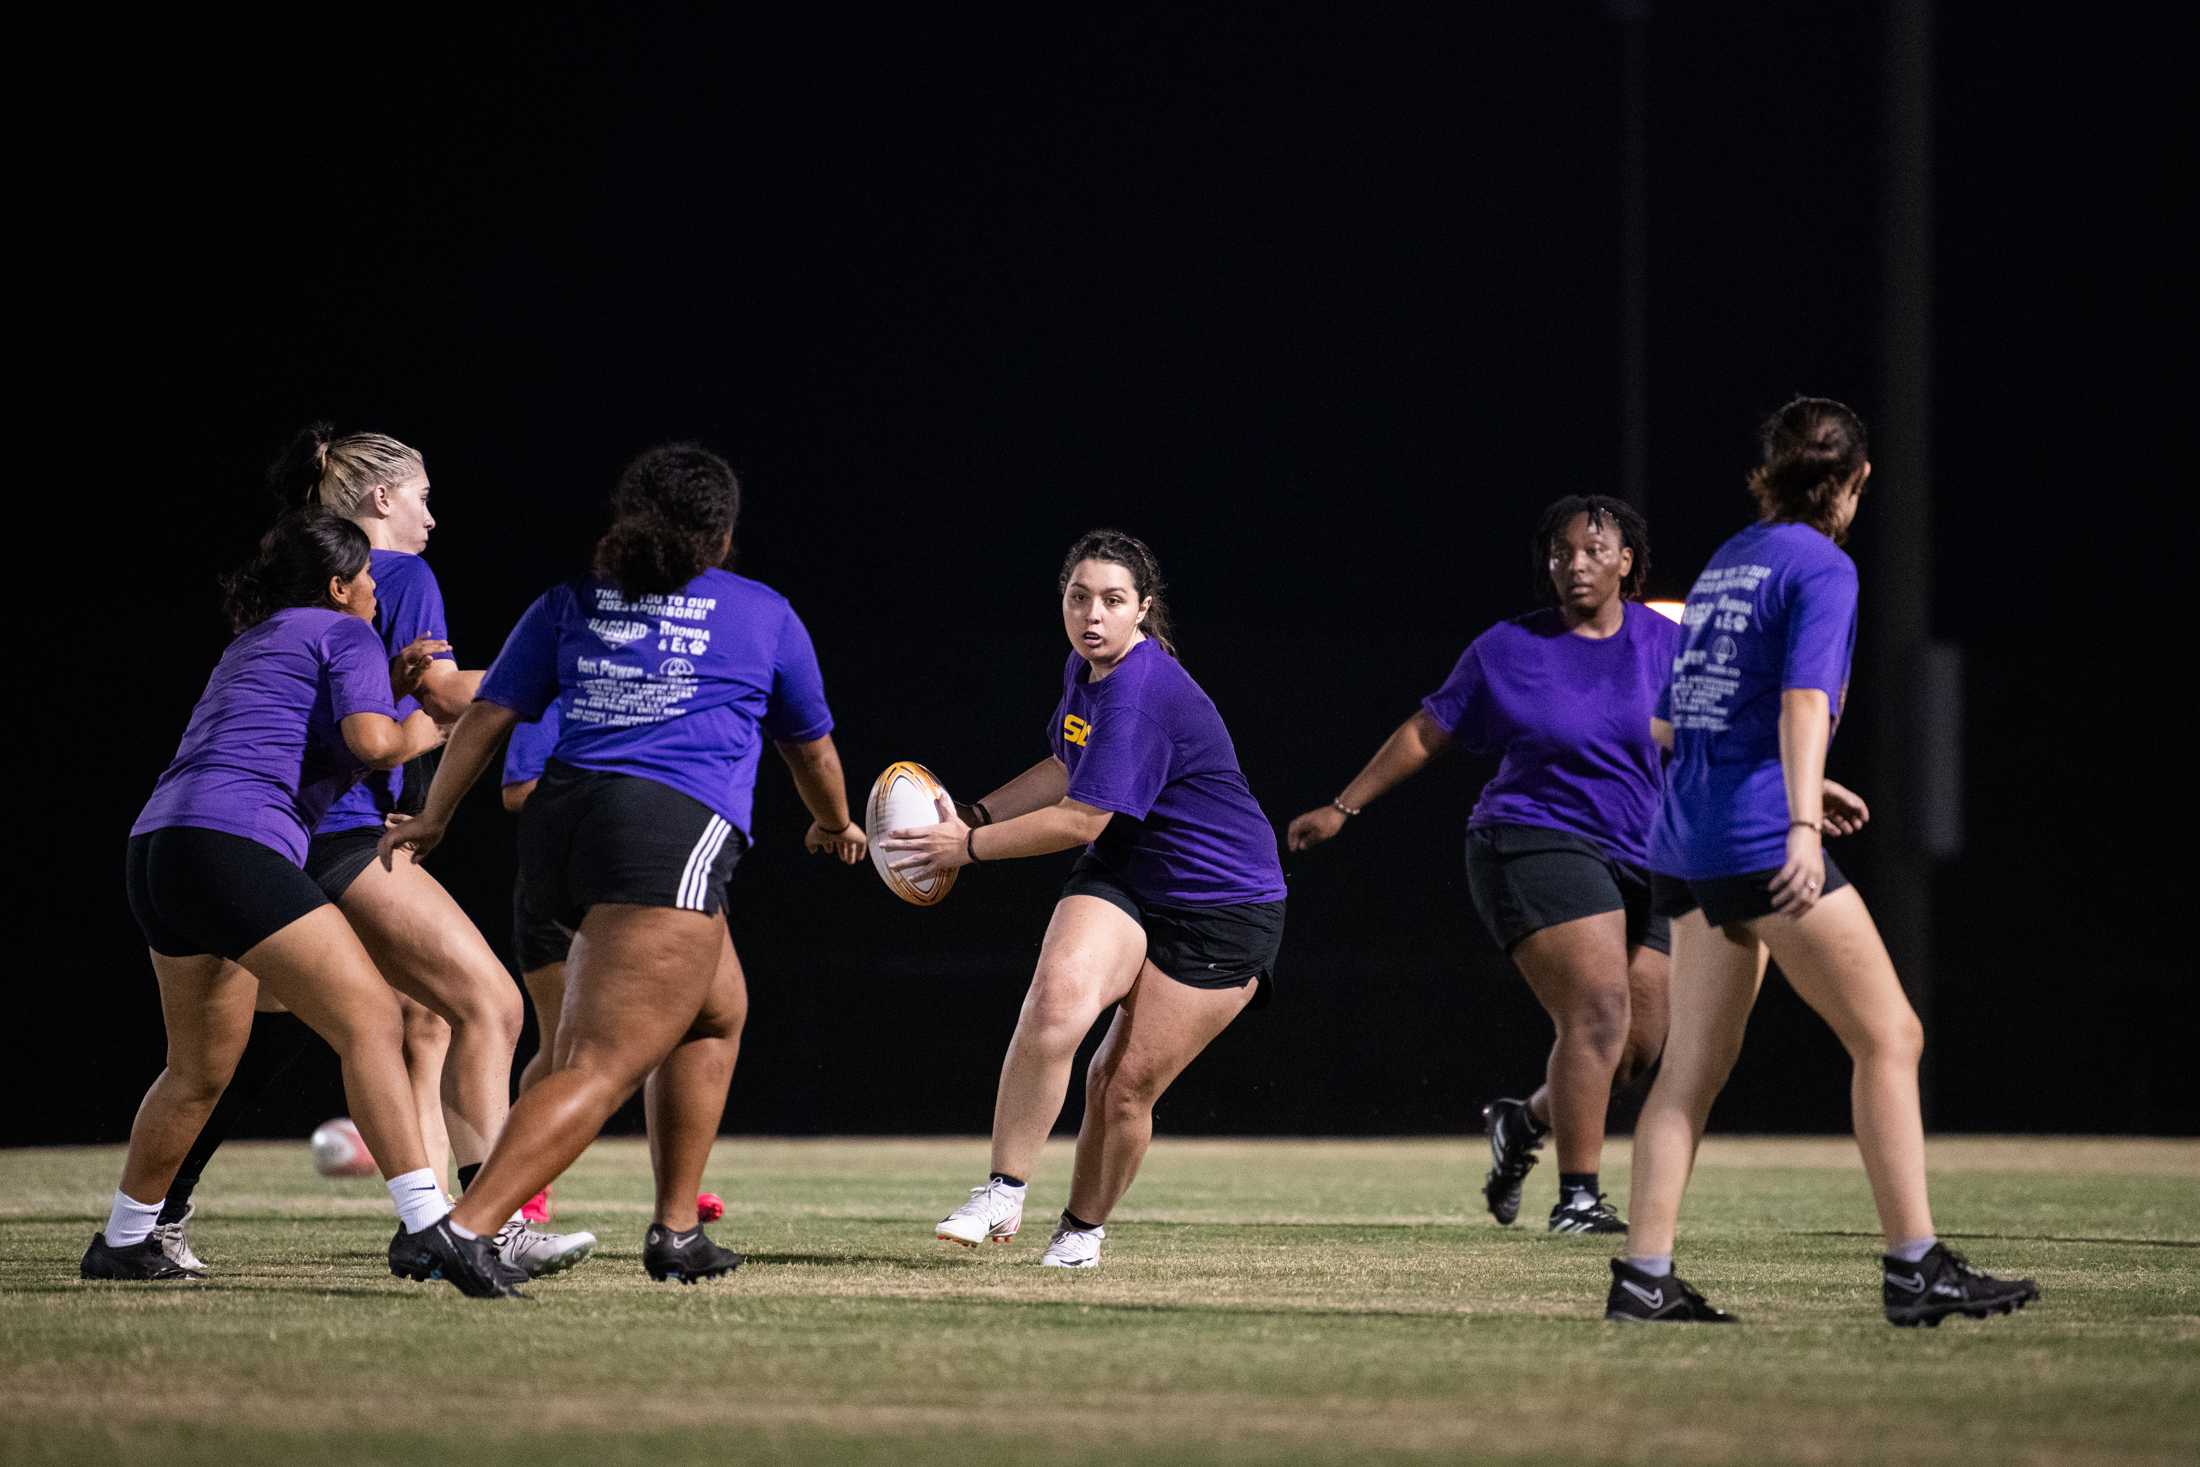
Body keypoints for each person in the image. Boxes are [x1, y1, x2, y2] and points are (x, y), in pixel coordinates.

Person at [378, 442, 867, 1291]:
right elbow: (810, 747)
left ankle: (677, 1230)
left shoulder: (571, 600)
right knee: (600, 1065)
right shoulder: (761, 612)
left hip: (560, 830)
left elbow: (489, 716)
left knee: (716, 1012)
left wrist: (434, 815)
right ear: (721, 535)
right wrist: (834, 823)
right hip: (665, 832)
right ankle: (464, 1227)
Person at [1605, 397, 2039, 1326]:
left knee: (1689, 1070)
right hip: (1760, 837)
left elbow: (1669, 722)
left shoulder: (1726, 560)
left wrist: (1798, 783)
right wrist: (1802, 818)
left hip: (1684, 840)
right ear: (1855, 480)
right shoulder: (1824, 566)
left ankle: (1643, 1278)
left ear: (1765, 474)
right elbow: (1805, 701)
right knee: (1891, 1036)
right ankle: (1914, 1265)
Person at [151, 426, 593, 1281]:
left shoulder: (297, 591)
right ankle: (485, 1221)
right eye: (423, 494)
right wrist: (568, 671)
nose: (433, 513)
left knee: (304, 1034)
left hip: (267, 827)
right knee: (488, 1004)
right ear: (382, 499)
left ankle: (168, 1209)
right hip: (340, 826)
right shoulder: (398, 573)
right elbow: (444, 692)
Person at [89, 509, 511, 1296]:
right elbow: (373, 745)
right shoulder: (342, 631)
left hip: (156, 848)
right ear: (337, 586)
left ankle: (123, 1238)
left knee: (196, 1070)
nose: (377, 600)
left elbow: (304, 738)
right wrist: (438, 717)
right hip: (233, 844)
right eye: (366, 585)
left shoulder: (252, 642)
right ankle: (429, 1224)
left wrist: (383, 686)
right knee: (373, 1018)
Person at [880, 530, 1287, 1269]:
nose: (1092, 614)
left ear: (1144, 610)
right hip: (1132, 872)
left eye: (1112, 600)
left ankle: (1081, 1230)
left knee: (1122, 1084)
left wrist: (963, 850)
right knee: (1057, 998)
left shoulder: (1140, 690)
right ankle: (1003, 1188)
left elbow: (1081, 818)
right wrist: (976, 814)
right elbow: (1067, 766)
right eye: (1078, 597)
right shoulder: (1085, 668)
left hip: (1223, 903)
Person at [1287, 496, 1682, 1235]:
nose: (1576, 564)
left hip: (1647, 854)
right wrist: (1343, 806)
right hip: (1530, 838)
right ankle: (1579, 1200)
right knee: (1597, 1011)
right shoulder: (1508, 647)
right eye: (1562, 552)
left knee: (1632, 1050)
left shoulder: (1670, 643)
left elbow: (1723, 732)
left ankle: (1523, 1121)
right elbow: (1425, 732)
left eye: (1595, 550)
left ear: (1628, 561)